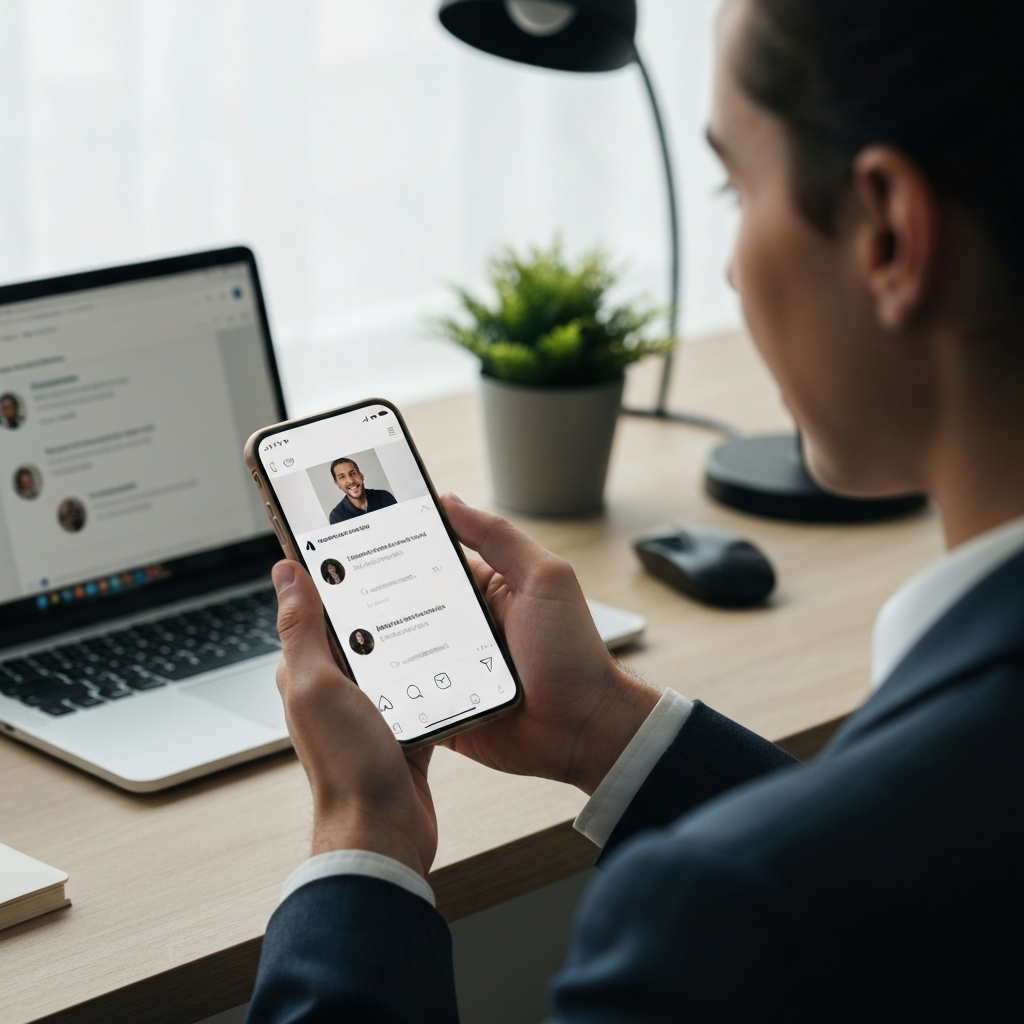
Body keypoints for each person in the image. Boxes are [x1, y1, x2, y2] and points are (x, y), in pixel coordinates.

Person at [248, 1, 1024, 1019]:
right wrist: (599, 730)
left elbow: (823, 881)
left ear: (887, 230)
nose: (730, 267)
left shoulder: (716, 924)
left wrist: (361, 828)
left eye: (735, 184)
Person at [327, 457, 396, 523]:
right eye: (342, 477)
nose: (350, 481)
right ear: (337, 483)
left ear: (361, 476)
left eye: (353, 473)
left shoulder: (384, 497)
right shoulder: (337, 516)